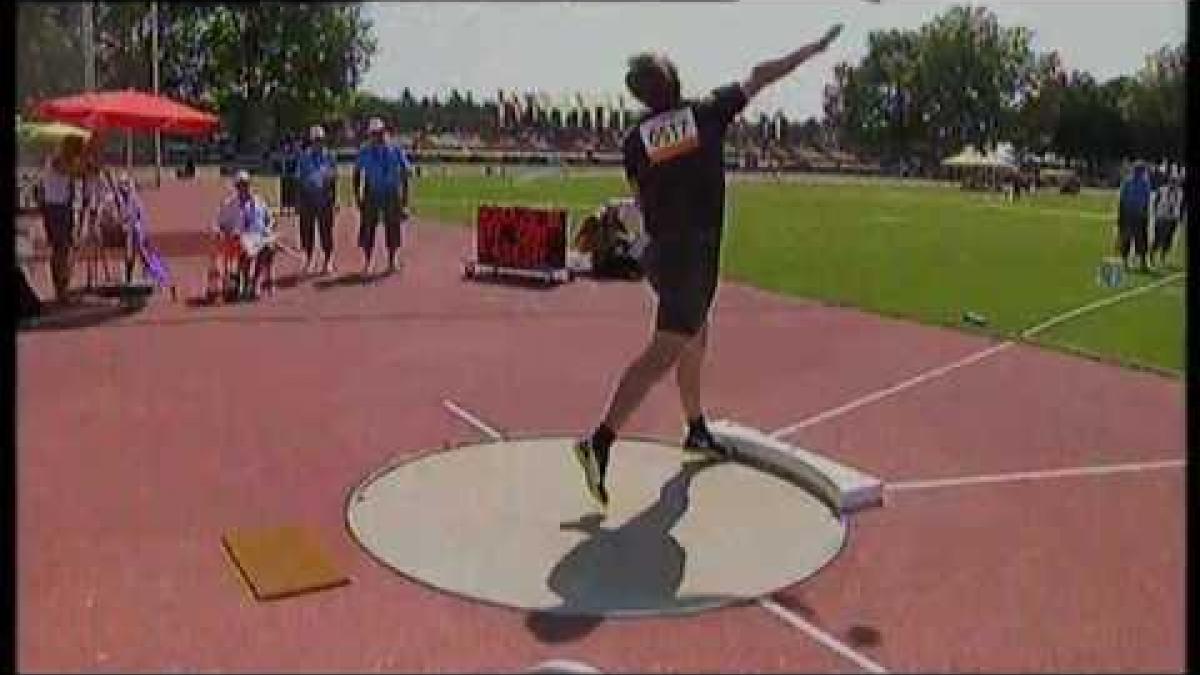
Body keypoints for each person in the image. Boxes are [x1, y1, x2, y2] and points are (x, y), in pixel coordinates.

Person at [571, 25, 845, 507]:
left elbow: (640, 199)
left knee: (694, 340)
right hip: (693, 257)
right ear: (673, 80)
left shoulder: (636, 141)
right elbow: (763, 75)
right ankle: (599, 442)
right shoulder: (706, 114)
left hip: (663, 256)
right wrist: (813, 49)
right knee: (665, 350)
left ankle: (696, 428)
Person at [352, 117, 412, 275]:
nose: (377, 137)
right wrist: (357, 195)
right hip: (371, 191)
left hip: (391, 192)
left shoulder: (396, 149)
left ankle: (392, 260)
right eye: (373, 134)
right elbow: (357, 173)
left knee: (393, 227)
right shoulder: (365, 150)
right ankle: (367, 262)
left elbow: (405, 174)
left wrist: (405, 202)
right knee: (367, 228)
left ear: (384, 132)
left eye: (379, 133)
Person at [215, 171, 277, 299]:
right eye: (241, 185)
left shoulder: (259, 201)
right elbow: (219, 223)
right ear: (237, 187)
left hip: (259, 237)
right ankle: (244, 281)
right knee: (245, 249)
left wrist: (268, 228)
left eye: (246, 184)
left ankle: (255, 281)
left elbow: (270, 219)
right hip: (239, 238)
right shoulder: (230, 204)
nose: (244, 187)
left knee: (269, 248)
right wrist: (224, 233)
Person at [296, 124, 338, 275]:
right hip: (308, 197)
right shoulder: (303, 157)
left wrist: (334, 200)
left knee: (326, 230)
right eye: (315, 140)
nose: (318, 143)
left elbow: (333, 180)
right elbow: (299, 180)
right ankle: (308, 259)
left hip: (324, 197)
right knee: (306, 231)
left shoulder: (329, 157)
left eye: (320, 140)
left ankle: (328, 260)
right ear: (311, 141)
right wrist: (299, 201)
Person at [39, 141, 78, 303]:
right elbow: (73, 171)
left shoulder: (63, 160)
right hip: (56, 208)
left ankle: (63, 287)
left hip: (62, 206)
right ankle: (60, 289)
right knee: (60, 248)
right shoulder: (57, 160)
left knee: (65, 248)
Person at [1116, 162, 1153, 272]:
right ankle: (1125, 263)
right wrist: (1121, 216)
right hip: (1128, 215)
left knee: (1141, 240)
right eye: (1139, 170)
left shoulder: (1145, 183)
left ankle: (1143, 263)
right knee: (1126, 239)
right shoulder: (1127, 182)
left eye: (1142, 171)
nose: (1141, 173)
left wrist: (1146, 214)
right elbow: (1121, 199)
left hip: (1140, 215)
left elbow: (1147, 200)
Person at [1150, 175, 1185, 268]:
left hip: (1173, 219)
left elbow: (1181, 206)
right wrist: (1156, 214)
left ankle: (1162, 258)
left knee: (1168, 240)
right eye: (1172, 182)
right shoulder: (1162, 190)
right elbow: (1155, 202)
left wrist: (1180, 218)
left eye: (1175, 182)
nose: (1173, 184)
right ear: (1168, 182)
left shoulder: (1180, 192)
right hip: (1162, 218)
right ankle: (1151, 256)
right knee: (1158, 238)